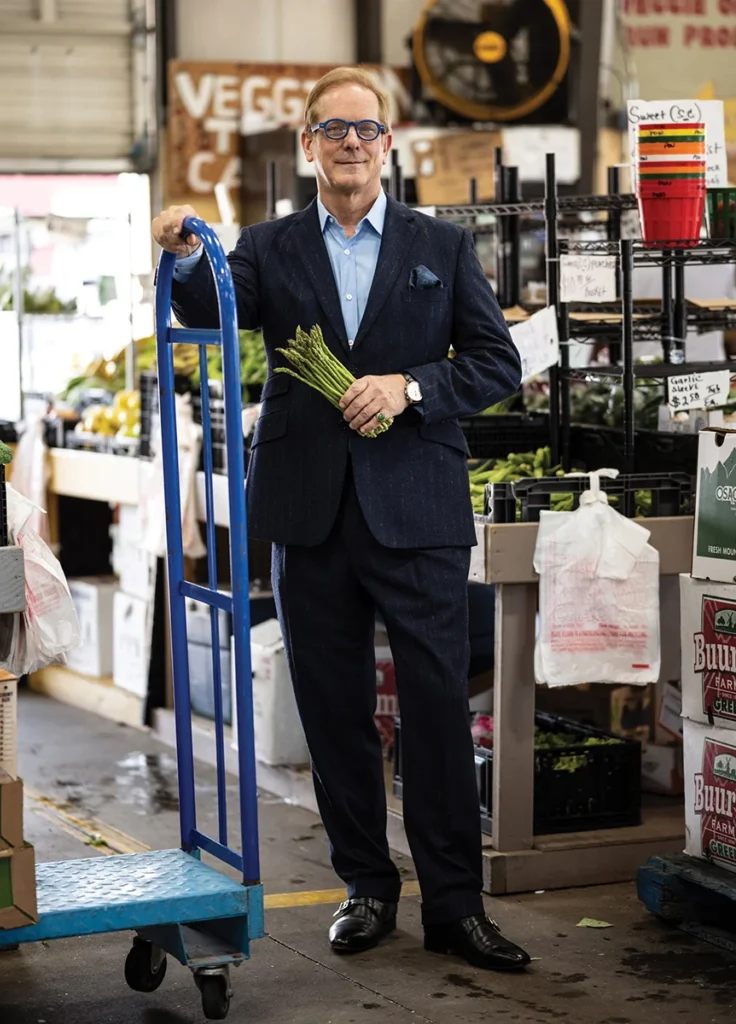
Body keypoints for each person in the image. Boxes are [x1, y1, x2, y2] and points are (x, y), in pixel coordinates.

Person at [152, 66, 529, 972]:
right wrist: (185, 253)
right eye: (332, 130)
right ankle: (366, 887)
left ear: (387, 142)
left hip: (418, 509)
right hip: (308, 507)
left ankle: (455, 905)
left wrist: (409, 387)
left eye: (365, 130)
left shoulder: (439, 242)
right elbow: (207, 307)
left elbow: (495, 362)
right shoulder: (268, 245)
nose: (350, 144)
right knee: (334, 712)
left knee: (437, 707)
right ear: (308, 145)